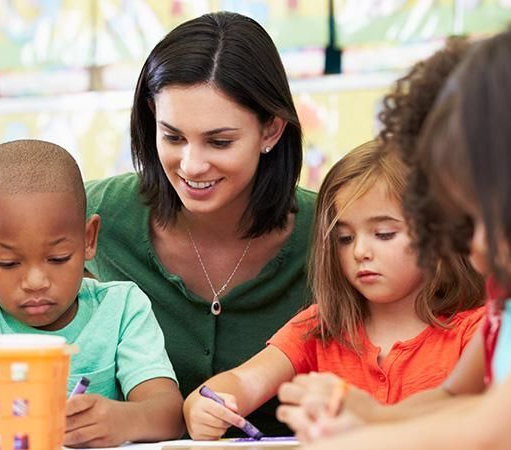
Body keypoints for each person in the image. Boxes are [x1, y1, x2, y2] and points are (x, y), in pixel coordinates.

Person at [287, 16, 511, 449]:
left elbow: (498, 430)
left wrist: (360, 441)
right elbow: (457, 399)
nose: (474, 248)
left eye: (486, 221)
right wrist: (361, 415)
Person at [84, 11, 315, 436]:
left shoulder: (333, 232)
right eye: (172, 136)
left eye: (219, 141)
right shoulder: (95, 214)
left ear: (271, 131)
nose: (191, 164)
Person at [183, 139, 486, 440]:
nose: (360, 252)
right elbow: (243, 382)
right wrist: (205, 405)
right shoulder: (320, 326)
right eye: (344, 238)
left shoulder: (477, 331)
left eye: (383, 234)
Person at [276, 36, 491, 442]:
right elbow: (449, 396)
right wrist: (366, 415)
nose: (450, 231)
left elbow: (498, 426)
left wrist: (364, 430)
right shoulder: (509, 304)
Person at [0, 140, 183, 448]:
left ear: (88, 239)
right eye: (8, 263)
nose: (36, 281)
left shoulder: (122, 308)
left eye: (58, 258)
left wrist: (123, 421)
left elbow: (170, 413)